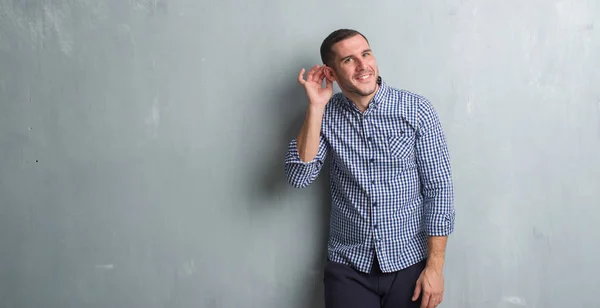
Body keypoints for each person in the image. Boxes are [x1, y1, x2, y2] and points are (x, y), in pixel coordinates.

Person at [284, 29, 456, 308]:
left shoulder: (416, 110)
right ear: (331, 72)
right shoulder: (325, 116)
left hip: (409, 263)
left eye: (366, 54)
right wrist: (315, 107)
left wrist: (435, 269)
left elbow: (439, 190)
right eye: (349, 60)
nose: (364, 66)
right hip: (348, 266)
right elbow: (299, 176)